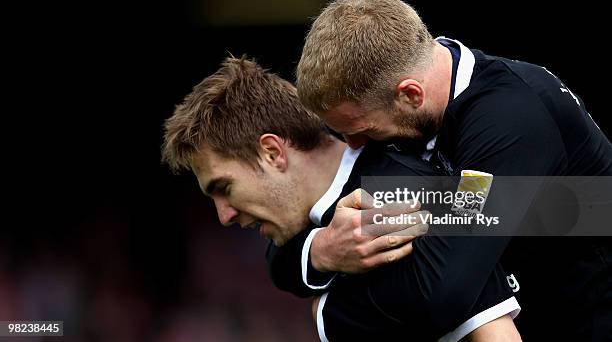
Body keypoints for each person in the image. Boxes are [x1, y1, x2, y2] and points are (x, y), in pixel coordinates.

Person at [293, 0, 612, 341]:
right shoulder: (396, 95)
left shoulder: (510, 119)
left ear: (411, 95)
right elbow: (286, 247)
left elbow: (447, 287)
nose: (352, 147)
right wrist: (323, 248)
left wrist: (328, 311)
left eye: (364, 130)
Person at [162, 56, 522, 341]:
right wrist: (319, 252)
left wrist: (328, 317)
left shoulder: (399, 195)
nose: (224, 216)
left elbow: (493, 329)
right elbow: (283, 263)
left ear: (272, 152)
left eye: (224, 188)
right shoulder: (316, 228)